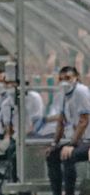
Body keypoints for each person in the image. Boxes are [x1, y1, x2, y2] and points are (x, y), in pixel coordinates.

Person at [45, 66, 90, 195]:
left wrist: (72, 144)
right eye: (61, 79)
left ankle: (69, 192)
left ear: (76, 78)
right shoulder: (62, 95)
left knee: (67, 155)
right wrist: (54, 144)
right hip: (79, 141)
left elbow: (84, 121)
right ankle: (57, 192)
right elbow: (61, 121)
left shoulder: (81, 92)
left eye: (68, 78)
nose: (64, 82)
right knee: (52, 155)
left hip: (87, 140)